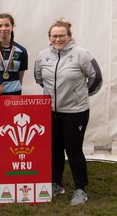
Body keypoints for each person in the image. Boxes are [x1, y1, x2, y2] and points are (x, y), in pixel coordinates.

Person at [34, 19, 102, 206]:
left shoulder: (82, 55)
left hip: (75, 112)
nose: (58, 39)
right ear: (49, 37)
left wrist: (80, 94)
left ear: (69, 36)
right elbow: (39, 78)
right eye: (54, 36)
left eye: (61, 35)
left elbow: (96, 78)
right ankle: (56, 184)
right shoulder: (42, 56)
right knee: (54, 149)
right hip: (50, 111)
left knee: (73, 150)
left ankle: (81, 189)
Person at [0, 13, 28, 95]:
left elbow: (20, 77)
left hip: (14, 93)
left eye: (7, 25)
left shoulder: (22, 51)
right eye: (0, 26)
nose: (3, 29)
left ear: (12, 27)